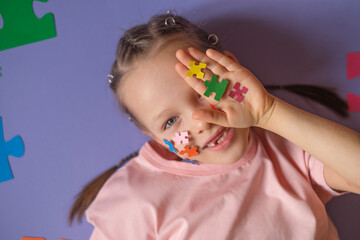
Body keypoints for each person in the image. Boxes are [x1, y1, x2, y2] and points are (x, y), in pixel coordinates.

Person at [68, 12, 360, 239]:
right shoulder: (133, 198)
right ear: (154, 138)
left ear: (230, 70)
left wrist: (269, 113)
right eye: (170, 121)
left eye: (203, 91)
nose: (201, 120)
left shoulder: (288, 146)